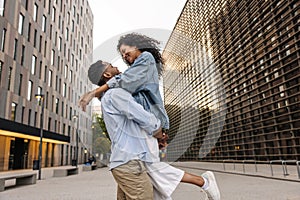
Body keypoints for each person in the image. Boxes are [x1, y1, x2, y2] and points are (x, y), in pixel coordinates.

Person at [87, 60, 221, 200]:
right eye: (111, 66)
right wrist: (158, 132)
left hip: (127, 163)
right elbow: (144, 118)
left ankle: (204, 182)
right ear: (107, 74)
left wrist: (155, 138)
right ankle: (204, 182)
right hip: (130, 164)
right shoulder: (115, 94)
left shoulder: (110, 96)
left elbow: (135, 126)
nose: (115, 66)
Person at [79, 33, 169, 149]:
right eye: (121, 54)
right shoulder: (113, 92)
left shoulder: (146, 58)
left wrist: (95, 92)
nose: (124, 55)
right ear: (106, 74)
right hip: (146, 133)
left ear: (136, 46)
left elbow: (125, 80)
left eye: (125, 50)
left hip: (155, 121)